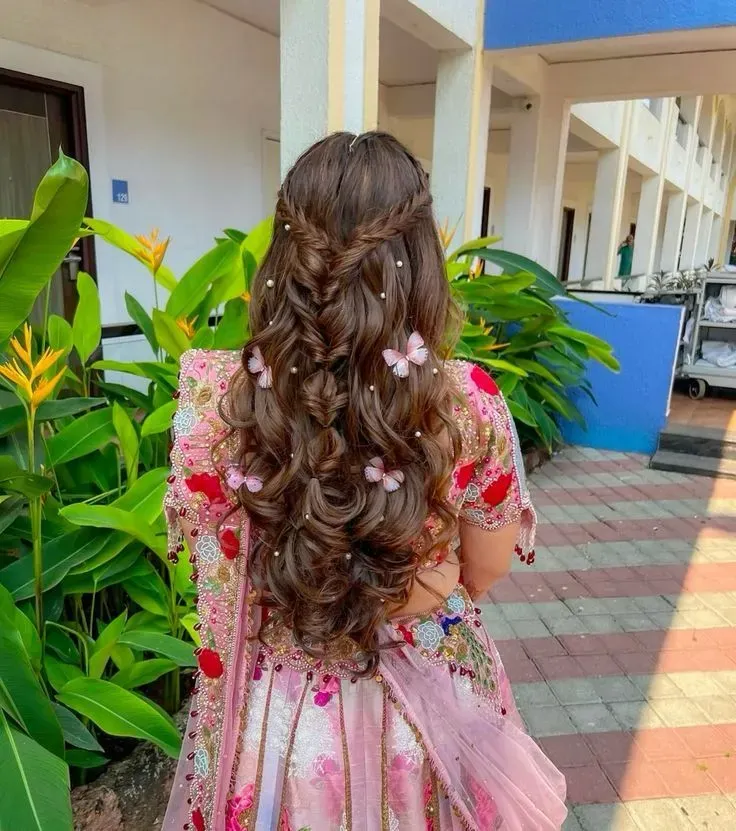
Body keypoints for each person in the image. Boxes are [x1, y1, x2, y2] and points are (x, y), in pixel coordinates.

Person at [163, 132, 566, 831]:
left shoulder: (219, 400)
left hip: (279, 728)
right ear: (419, 263)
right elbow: (487, 566)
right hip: (424, 725)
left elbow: (220, 550)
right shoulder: (464, 404)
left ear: (284, 258)